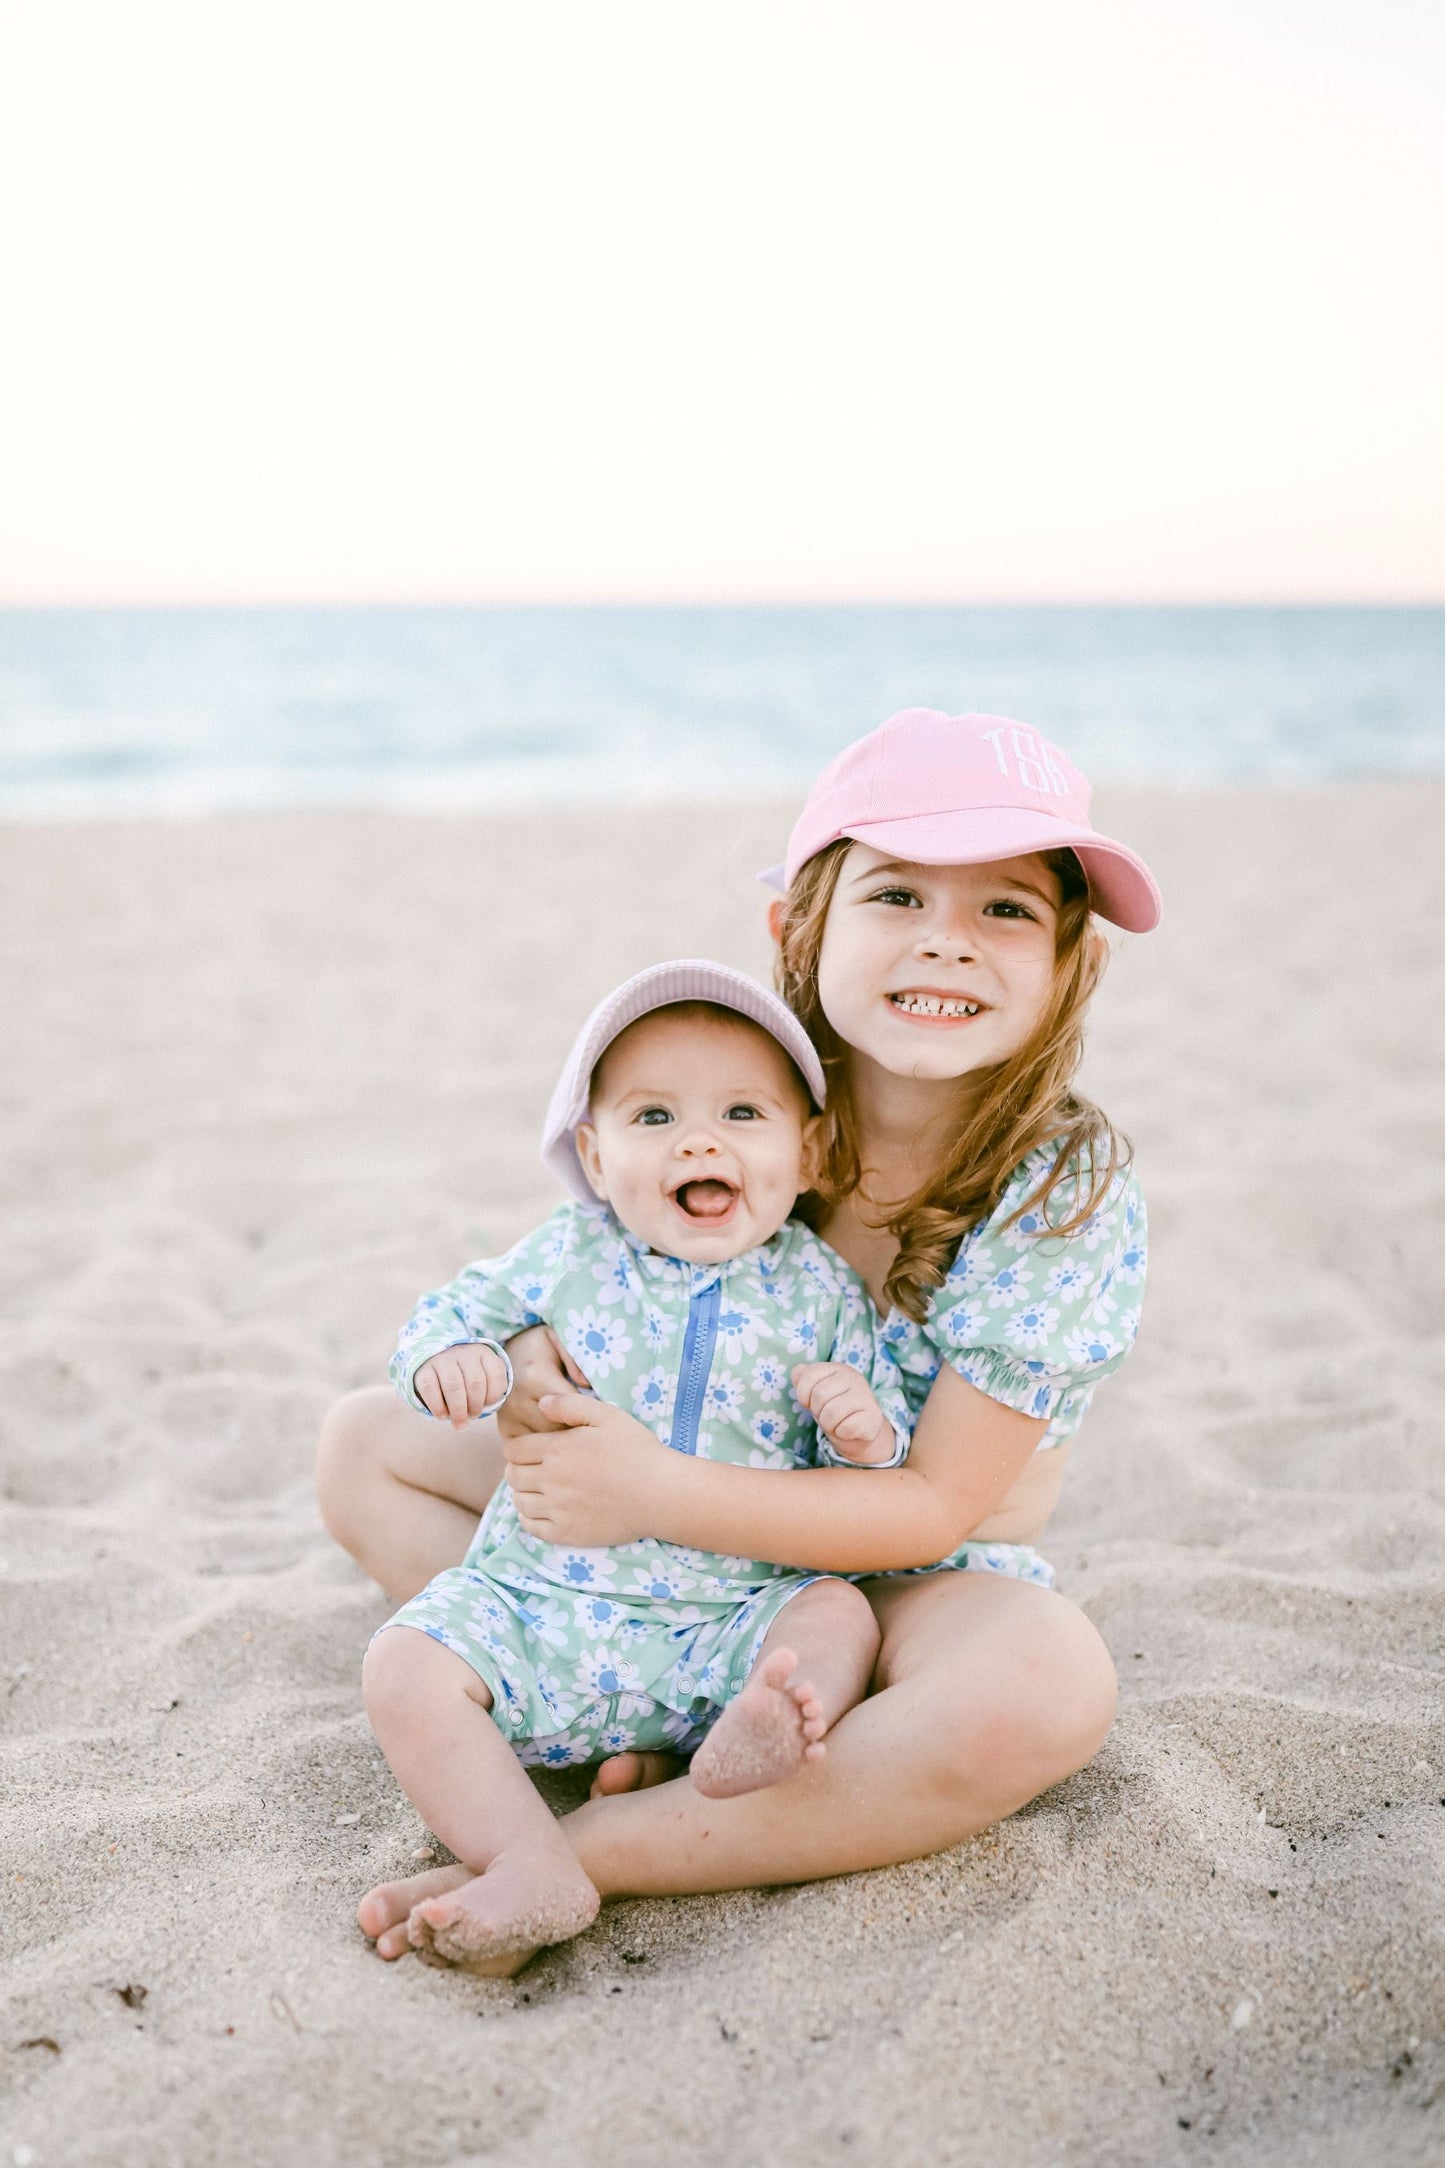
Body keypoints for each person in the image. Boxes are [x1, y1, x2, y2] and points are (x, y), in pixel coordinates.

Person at [317, 707, 1161, 1974]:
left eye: (1004, 910)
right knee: (361, 1445)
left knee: (1044, 1688)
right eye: (894, 893)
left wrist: (650, 1486)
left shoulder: (1058, 1188)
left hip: (891, 1563)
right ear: (796, 928)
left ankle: (594, 1845)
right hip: (660, 1554)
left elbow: (929, 1506)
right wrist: (539, 1376)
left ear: (1066, 961)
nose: (944, 938)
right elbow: (585, 1266)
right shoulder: (739, 1090)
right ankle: (627, 1698)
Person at [362, 962, 913, 1969]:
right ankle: (529, 1857)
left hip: (728, 1621)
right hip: (551, 1604)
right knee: (403, 1661)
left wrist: (859, 1423)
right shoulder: (571, 1251)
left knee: (836, 1611)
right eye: (652, 1117)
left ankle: (760, 1724)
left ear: (808, 1152)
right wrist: (456, 1362)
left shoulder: (821, 1289)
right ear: (592, 1152)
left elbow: (876, 1447)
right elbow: (453, 1310)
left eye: (741, 1112)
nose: (698, 1140)